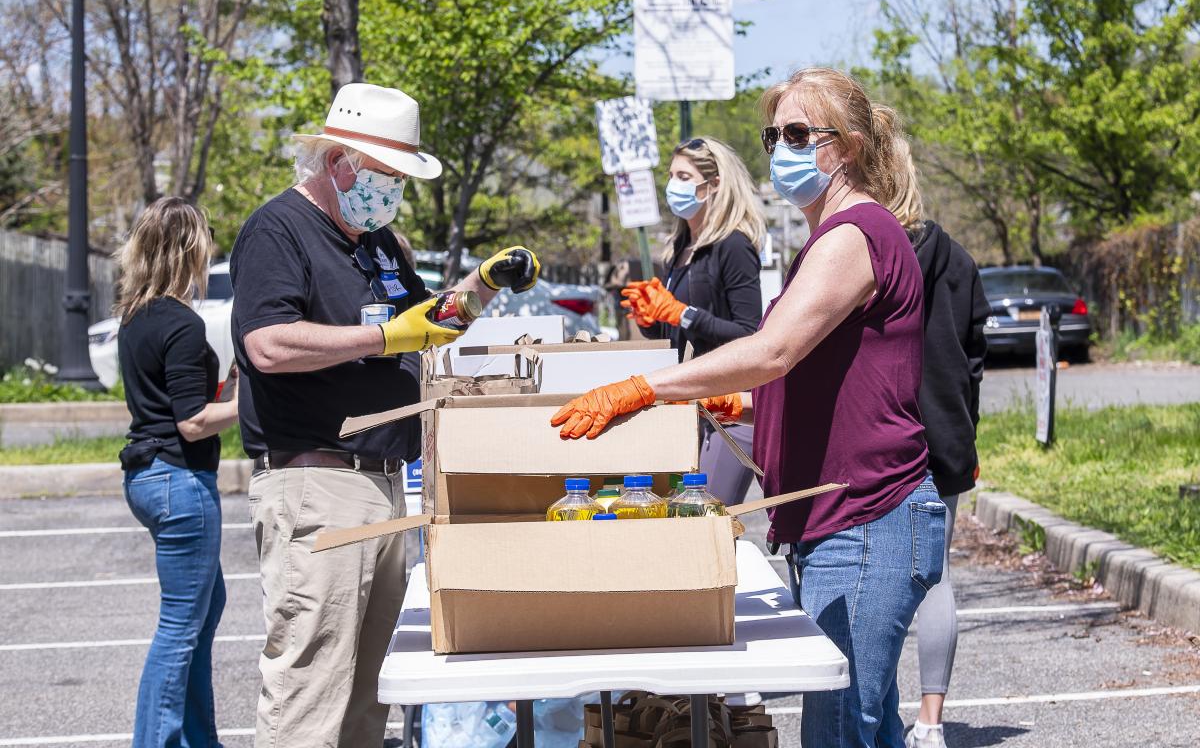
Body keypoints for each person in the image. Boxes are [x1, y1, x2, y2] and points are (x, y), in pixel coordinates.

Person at [549, 67, 947, 748]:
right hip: (841, 525)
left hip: (869, 522)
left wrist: (646, 388)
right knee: (862, 730)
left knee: (840, 733)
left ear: (846, 147)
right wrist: (744, 403)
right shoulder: (832, 238)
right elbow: (819, 377)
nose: (779, 149)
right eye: (773, 135)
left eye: (798, 134)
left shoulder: (856, 233)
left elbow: (772, 350)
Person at [230, 82, 541, 748]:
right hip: (317, 481)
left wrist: (484, 283)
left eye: (400, 177)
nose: (392, 190)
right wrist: (379, 339)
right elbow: (266, 343)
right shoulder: (278, 229)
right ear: (338, 161)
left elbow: (430, 324)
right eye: (385, 175)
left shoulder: (379, 243)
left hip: (381, 481)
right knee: (310, 689)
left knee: (370, 694)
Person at [116, 197, 240, 748]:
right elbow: (192, 422)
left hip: (148, 477)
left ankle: (197, 739)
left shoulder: (136, 318)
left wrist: (237, 383)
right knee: (179, 629)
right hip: (179, 481)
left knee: (204, 609)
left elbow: (175, 402)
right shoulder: (183, 324)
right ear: (191, 249)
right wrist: (257, 404)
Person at [622, 136, 765, 506]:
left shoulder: (733, 246)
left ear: (713, 184)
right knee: (683, 517)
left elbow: (750, 334)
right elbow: (679, 333)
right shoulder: (679, 249)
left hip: (732, 411)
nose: (673, 184)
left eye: (683, 175)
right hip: (691, 405)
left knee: (704, 516)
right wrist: (650, 318)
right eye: (671, 175)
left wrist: (681, 312)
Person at [901, 209, 990, 748]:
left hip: (882, 436)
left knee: (866, 579)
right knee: (937, 576)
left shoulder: (864, 251)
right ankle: (930, 722)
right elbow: (975, 357)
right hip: (948, 432)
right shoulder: (959, 257)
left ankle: (875, 711)